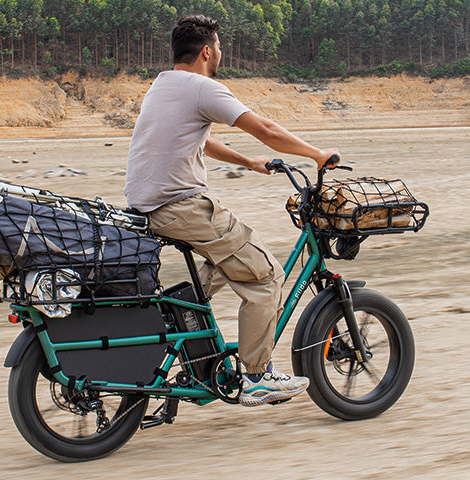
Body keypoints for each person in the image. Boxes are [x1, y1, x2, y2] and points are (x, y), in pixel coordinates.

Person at [125, 14, 341, 407]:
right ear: (207, 51)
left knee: (230, 259)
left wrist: (248, 162)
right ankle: (257, 377)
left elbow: (199, 142)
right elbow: (266, 128)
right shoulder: (204, 88)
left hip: (149, 205)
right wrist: (317, 154)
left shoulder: (162, 86)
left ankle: (184, 317)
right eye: (220, 47)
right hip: (180, 206)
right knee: (265, 276)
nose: (221, 53)